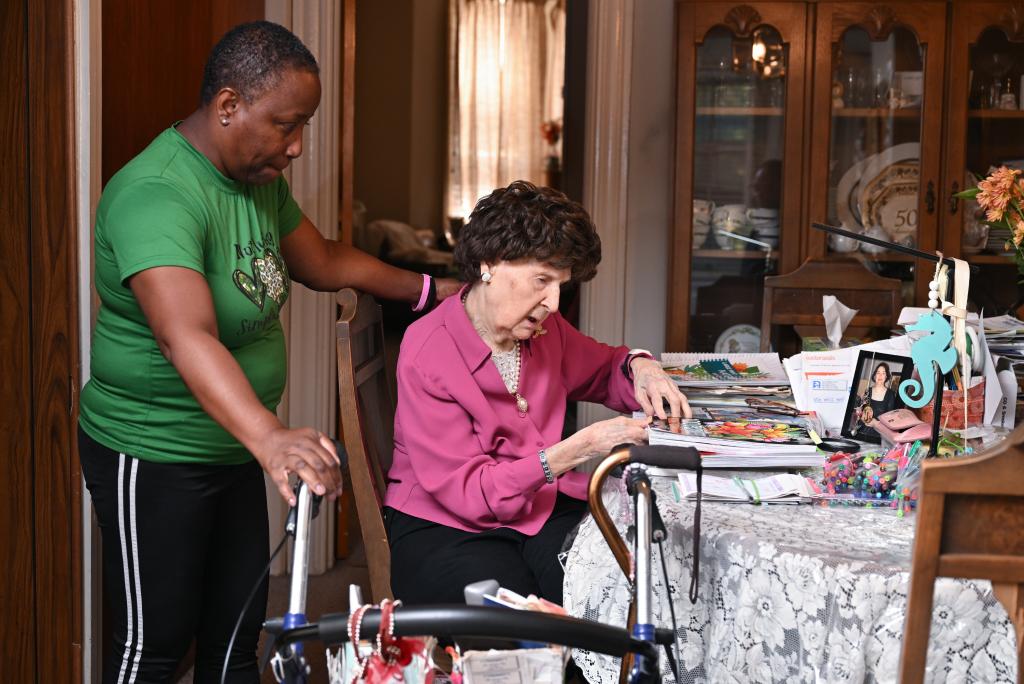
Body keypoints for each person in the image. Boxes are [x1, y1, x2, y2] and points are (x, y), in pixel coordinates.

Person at [78, 21, 459, 683]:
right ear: (229, 106)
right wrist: (272, 437)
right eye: (286, 124)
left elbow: (322, 261)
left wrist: (432, 290)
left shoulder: (254, 180)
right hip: (153, 451)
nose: (297, 146)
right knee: (154, 647)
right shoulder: (157, 193)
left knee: (236, 642)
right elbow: (184, 335)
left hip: (231, 444)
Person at [383, 180, 691, 606]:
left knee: (620, 583)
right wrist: (580, 447)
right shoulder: (427, 350)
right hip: (446, 527)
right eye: (542, 280)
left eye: (561, 284)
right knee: (527, 616)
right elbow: (470, 494)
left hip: (535, 509)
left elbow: (606, 368)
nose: (553, 302)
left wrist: (642, 367)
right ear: (490, 263)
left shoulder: (544, 331)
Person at [855, 362, 900, 440]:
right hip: (862, 432)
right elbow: (860, 411)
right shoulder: (867, 391)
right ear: (875, 375)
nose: (880, 376)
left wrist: (876, 423)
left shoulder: (890, 394)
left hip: (878, 436)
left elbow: (891, 420)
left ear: (886, 377)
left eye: (883, 373)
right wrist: (861, 415)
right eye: (878, 373)